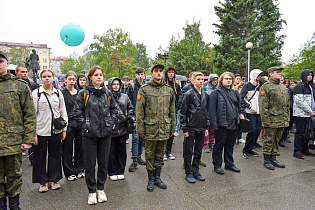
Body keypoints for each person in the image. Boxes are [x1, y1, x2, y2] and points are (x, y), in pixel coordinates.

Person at [74, 66, 117, 205]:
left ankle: (101, 188)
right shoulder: (83, 94)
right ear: (90, 78)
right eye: (96, 75)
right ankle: (91, 191)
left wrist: (111, 123)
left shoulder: (108, 94)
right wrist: (85, 125)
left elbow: (114, 110)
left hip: (105, 134)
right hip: (89, 135)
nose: (99, 77)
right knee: (90, 164)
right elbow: (77, 112)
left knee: (103, 163)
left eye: (101, 74)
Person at [0, 52, 36, 210]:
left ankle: (14, 205)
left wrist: (28, 139)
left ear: (8, 64)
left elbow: (29, 113)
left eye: (1, 61)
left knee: (14, 176)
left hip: (13, 141)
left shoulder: (19, 85)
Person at [136, 64, 176, 192]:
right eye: (156, 71)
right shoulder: (144, 89)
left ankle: (158, 178)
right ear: (151, 73)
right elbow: (139, 111)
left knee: (160, 155)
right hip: (150, 129)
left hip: (164, 128)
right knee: (149, 155)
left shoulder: (168, 90)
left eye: (160, 71)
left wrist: (172, 128)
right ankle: (151, 179)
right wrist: (140, 129)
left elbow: (172, 111)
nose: (159, 73)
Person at [32, 69, 68, 192]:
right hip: (41, 130)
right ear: (41, 79)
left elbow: (63, 111)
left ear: (53, 78)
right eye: (44, 76)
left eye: (49, 76)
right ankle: (42, 182)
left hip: (56, 130)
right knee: (40, 156)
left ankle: (54, 179)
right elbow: (33, 114)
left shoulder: (58, 93)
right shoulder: (37, 93)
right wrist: (33, 133)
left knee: (55, 155)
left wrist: (64, 130)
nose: (47, 79)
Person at [209, 72, 245, 175]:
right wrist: (214, 125)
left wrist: (240, 114)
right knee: (219, 146)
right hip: (221, 124)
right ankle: (217, 165)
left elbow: (239, 107)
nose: (228, 80)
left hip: (233, 124)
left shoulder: (235, 93)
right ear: (221, 80)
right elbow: (212, 111)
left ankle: (229, 164)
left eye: (230, 79)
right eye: (226, 78)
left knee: (230, 145)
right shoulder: (215, 93)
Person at [181, 72, 209, 183]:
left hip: (201, 127)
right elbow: (183, 112)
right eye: (198, 79)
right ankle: (188, 172)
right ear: (193, 80)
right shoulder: (188, 94)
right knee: (188, 151)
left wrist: (206, 127)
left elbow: (206, 112)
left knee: (198, 150)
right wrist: (185, 128)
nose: (201, 81)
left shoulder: (206, 95)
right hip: (191, 127)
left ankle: (196, 170)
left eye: (202, 79)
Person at [259, 66, 289, 170]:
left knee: (277, 140)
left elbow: (287, 105)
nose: (279, 73)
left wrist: (287, 118)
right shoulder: (266, 87)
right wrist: (266, 120)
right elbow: (263, 105)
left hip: (282, 119)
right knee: (269, 140)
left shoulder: (282, 87)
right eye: (277, 72)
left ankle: (273, 158)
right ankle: (267, 160)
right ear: (271, 74)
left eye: (280, 72)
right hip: (271, 120)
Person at [107, 77, 135, 181]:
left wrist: (130, 117)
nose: (116, 86)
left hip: (123, 128)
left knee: (121, 151)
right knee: (111, 152)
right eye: (114, 84)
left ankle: (120, 170)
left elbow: (130, 108)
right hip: (110, 129)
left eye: (117, 84)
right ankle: (111, 171)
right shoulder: (107, 97)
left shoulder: (125, 97)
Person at [61, 71, 84, 181]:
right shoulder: (61, 93)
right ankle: (69, 171)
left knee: (80, 147)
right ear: (65, 80)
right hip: (68, 124)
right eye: (69, 79)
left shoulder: (79, 93)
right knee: (67, 149)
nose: (71, 81)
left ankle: (79, 169)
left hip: (79, 123)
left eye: (73, 79)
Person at [15, 65, 38, 165]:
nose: (24, 74)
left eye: (25, 72)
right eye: (22, 72)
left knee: (29, 135)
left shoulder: (31, 84)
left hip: (28, 112)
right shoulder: (14, 84)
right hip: (17, 117)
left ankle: (32, 157)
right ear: (16, 73)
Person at [126, 67, 146, 172]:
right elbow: (126, 99)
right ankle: (134, 160)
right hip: (134, 115)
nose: (140, 76)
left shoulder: (147, 86)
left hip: (144, 116)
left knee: (142, 137)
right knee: (135, 138)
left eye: (142, 74)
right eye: (138, 74)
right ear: (136, 75)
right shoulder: (132, 86)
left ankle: (139, 156)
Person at [292, 69, 315, 159]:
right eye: (308, 75)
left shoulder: (310, 86)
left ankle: (305, 149)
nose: (310, 76)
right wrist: (310, 110)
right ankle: (297, 150)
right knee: (300, 132)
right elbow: (299, 101)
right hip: (300, 114)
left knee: (307, 132)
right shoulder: (299, 86)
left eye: (311, 75)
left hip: (309, 114)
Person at [240, 69, 264, 159]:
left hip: (258, 111)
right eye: (258, 75)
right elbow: (241, 97)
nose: (260, 77)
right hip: (250, 111)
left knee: (258, 129)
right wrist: (248, 105)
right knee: (251, 131)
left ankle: (251, 148)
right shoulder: (247, 85)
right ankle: (246, 150)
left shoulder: (260, 85)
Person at [164, 67, 181, 161]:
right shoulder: (163, 84)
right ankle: (163, 152)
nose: (171, 74)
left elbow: (179, 97)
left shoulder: (176, 85)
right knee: (164, 132)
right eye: (169, 72)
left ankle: (169, 151)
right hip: (164, 112)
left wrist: (177, 107)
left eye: (172, 72)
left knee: (171, 132)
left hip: (173, 111)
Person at [203, 74, 219, 153]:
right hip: (207, 110)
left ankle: (211, 143)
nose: (215, 82)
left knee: (213, 128)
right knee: (206, 128)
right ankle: (205, 144)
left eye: (216, 80)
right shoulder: (206, 89)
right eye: (213, 80)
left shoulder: (218, 89)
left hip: (215, 111)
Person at [233, 74, 246, 144]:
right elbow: (233, 90)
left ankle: (240, 137)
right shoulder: (233, 86)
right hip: (234, 105)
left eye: (239, 78)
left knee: (241, 122)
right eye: (237, 78)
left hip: (241, 103)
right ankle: (234, 137)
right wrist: (238, 85)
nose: (238, 80)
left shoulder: (242, 86)